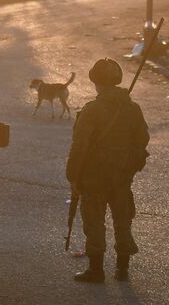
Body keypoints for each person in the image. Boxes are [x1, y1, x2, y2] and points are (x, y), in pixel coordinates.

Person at [66, 58, 150, 283]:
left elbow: (79, 146)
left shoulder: (92, 110)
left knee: (94, 220)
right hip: (122, 175)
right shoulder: (132, 108)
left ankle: (96, 270)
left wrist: (73, 176)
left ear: (96, 82)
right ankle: (122, 270)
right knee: (123, 220)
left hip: (95, 176)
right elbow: (142, 139)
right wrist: (129, 164)